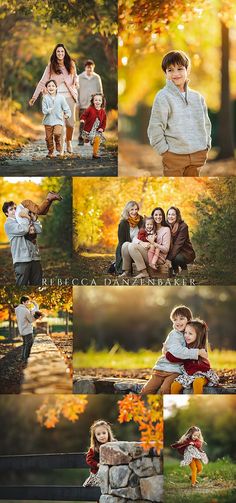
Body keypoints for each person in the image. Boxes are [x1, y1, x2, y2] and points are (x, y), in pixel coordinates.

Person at [147, 50, 211, 177]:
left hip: (198, 155)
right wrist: (164, 151)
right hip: (174, 156)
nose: (175, 73)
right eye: (170, 70)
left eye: (180, 69)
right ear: (165, 73)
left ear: (187, 71)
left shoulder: (197, 97)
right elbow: (155, 127)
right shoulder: (163, 97)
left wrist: (206, 145)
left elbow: (206, 124)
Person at [140, 305, 208, 395]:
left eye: (181, 318)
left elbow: (199, 342)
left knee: (165, 389)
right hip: (161, 369)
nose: (178, 322)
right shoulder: (174, 335)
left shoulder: (189, 334)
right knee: (146, 391)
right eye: (175, 320)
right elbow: (177, 351)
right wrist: (197, 352)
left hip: (175, 372)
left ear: (189, 319)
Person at [29, 44, 78, 154]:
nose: (60, 53)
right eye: (58, 52)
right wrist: (34, 97)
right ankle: (61, 150)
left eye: (62, 51)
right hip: (56, 98)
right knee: (59, 124)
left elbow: (75, 76)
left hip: (70, 96)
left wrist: (76, 81)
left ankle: (69, 141)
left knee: (70, 123)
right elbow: (42, 82)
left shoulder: (71, 64)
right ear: (55, 54)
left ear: (65, 53)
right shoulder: (51, 66)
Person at [169, 319, 219, 394]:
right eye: (185, 332)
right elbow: (174, 357)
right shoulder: (184, 348)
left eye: (190, 333)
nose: (186, 335)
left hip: (202, 374)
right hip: (188, 375)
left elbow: (205, 363)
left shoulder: (201, 349)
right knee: (174, 386)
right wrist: (168, 352)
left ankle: (197, 402)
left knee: (197, 383)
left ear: (198, 335)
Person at [121, 206, 171, 279]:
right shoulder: (149, 226)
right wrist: (141, 243)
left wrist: (153, 243)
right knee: (125, 245)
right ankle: (126, 271)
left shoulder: (166, 230)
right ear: (152, 217)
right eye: (156, 215)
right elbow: (135, 238)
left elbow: (166, 249)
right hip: (147, 251)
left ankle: (143, 272)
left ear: (163, 217)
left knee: (132, 246)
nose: (158, 217)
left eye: (160, 215)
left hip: (157, 256)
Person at [2, 201, 42, 286]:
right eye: (11, 209)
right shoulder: (8, 224)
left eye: (16, 208)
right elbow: (24, 230)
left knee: (37, 285)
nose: (14, 211)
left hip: (35, 258)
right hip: (21, 261)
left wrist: (35, 220)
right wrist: (26, 217)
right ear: (6, 213)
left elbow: (39, 230)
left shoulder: (24, 219)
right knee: (21, 285)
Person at [42, 80, 71, 158]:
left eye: (53, 86)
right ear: (46, 88)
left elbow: (67, 108)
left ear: (56, 87)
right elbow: (44, 110)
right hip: (48, 121)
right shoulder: (45, 98)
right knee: (48, 138)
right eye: (49, 86)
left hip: (58, 120)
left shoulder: (61, 98)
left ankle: (57, 142)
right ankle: (50, 151)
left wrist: (67, 115)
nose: (51, 87)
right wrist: (49, 110)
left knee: (57, 133)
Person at [83, 420, 116, 487]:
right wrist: (97, 464)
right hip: (97, 472)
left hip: (110, 471)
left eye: (104, 433)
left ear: (108, 433)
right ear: (95, 437)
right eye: (98, 434)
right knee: (102, 484)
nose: (101, 436)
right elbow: (89, 460)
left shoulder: (114, 445)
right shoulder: (94, 448)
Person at [115, 201, 144, 275]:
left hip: (138, 247)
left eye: (136, 209)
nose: (134, 212)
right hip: (125, 248)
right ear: (128, 210)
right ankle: (125, 269)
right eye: (132, 209)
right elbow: (121, 242)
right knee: (126, 245)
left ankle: (144, 271)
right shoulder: (123, 223)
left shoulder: (141, 221)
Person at [78, 59, 103, 145]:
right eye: (88, 68)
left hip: (94, 104)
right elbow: (76, 90)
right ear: (85, 68)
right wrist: (77, 102)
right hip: (82, 103)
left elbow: (100, 91)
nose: (89, 69)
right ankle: (81, 139)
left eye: (91, 68)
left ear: (93, 68)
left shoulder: (97, 78)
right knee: (82, 122)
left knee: (94, 122)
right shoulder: (79, 77)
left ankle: (92, 139)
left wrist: (101, 103)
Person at [166, 206, 195, 275]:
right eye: (169, 214)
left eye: (173, 214)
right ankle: (175, 269)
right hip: (173, 250)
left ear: (177, 216)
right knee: (167, 251)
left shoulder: (183, 226)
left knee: (176, 257)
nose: (170, 216)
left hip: (184, 251)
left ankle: (184, 268)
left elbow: (178, 245)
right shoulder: (166, 226)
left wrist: (169, 259)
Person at [15, 295, 42, 363]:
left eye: (28, 302)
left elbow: (27, 315)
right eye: (27, 302)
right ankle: (25, 359)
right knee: (29, 344)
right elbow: (31, 320)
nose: (28, 303)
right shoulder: (25, 310)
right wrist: (37, 316)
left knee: (25, 344)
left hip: (22, 329)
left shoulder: (17, 309)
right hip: (27, 330)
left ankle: (22, 358)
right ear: (23, 302)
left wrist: (33, 308)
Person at [79, 93, 106, 159]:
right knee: (87, 138)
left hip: (97, 130)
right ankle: (86, 139)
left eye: (99, 100)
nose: (97, 102)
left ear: (102, 102)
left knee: (97, 140)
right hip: (88, 129)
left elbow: (104, 122)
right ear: (93, 101)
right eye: (96, 100)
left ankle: (95, 154)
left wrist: (102, 128)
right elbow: (84, 114)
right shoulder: (90, 109)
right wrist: (82, 119)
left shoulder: (103, 112)